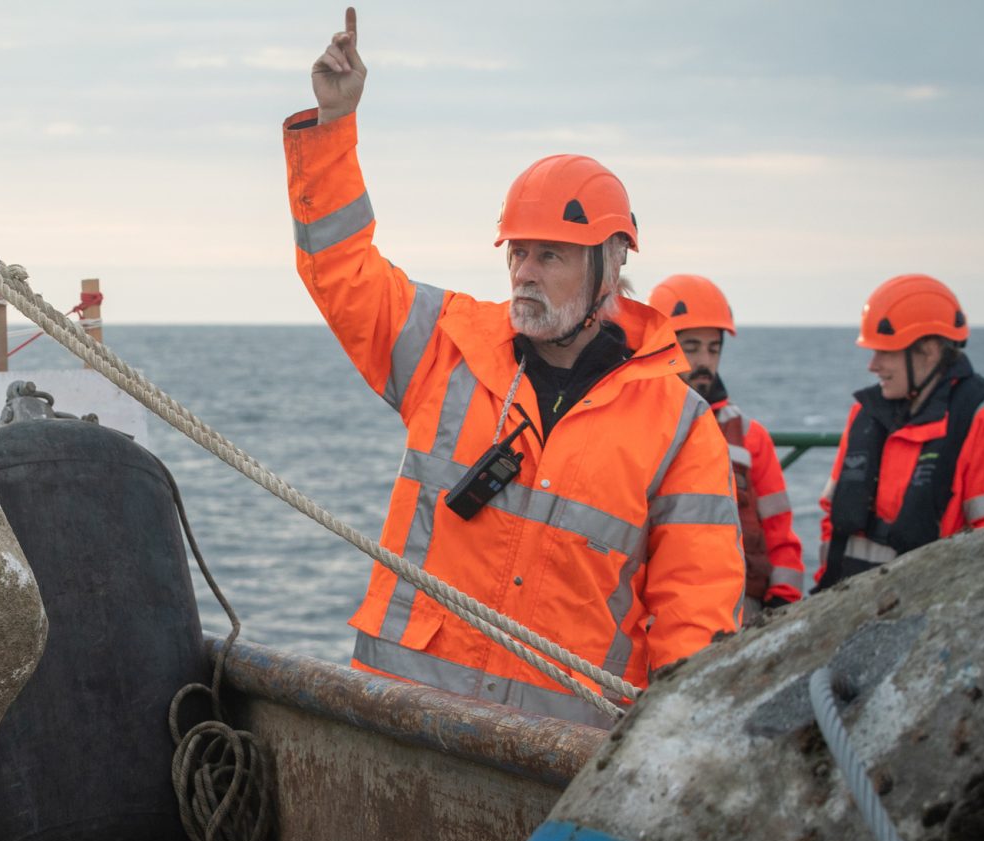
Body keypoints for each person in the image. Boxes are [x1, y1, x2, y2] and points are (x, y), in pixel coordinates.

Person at [286, 8, 743, 727]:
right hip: (401, 729)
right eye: (517, 253)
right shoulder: (446, 346)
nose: (525, 274)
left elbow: (694, 625)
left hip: (558, 760)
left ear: (611, 265)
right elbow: (339, 267)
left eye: (550, 256)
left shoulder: (681, 430)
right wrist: (332, 127)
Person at [816, 275, 984, 587]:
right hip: (844, 605)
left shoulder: (983, 422)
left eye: (885, 352)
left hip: (931, 613)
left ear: (929, 351)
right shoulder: (863, 414)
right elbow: (832, 517)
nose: (872, 365)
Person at [652, 274, 805, 622]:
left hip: (741, 612)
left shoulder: (750, 437)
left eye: (713, 348)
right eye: (691, 347)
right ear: (659, 346)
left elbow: (780, 533)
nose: (704, 361)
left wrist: (782, 602)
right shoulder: (634, 427)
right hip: (657, 611)